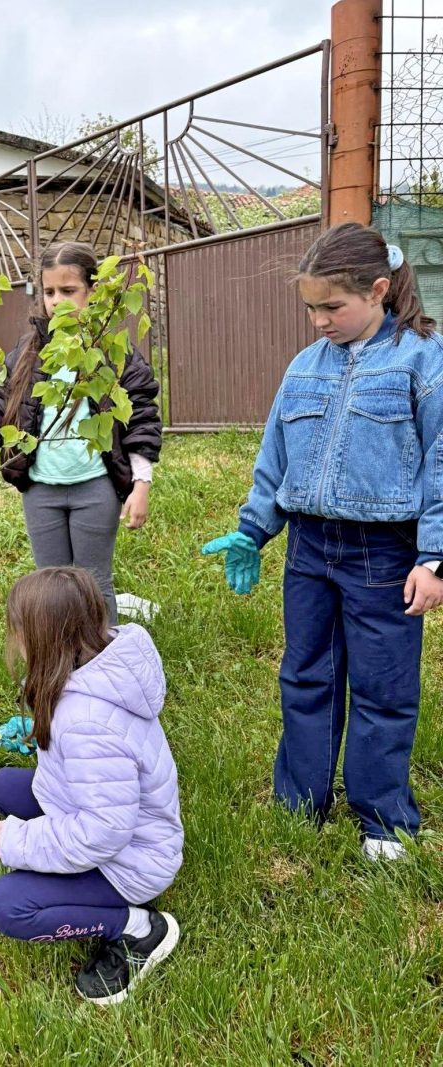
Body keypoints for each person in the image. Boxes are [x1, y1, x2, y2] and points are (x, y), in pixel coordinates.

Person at [202, 222, 443, 861]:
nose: (318, 321)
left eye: (332, 306)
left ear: (380, 291)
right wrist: (255, 528)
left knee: (382, 689)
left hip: (384, 554)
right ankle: (301, 800)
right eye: (311, 307)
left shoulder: (423, 361)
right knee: (304, 674)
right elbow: (276, 458)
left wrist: (433, 556)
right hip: (309, 550)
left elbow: (441, 462)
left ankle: (383, 820)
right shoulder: (304, 368)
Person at [0, 567, 183, 1005]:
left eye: (18, 630)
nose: (14, 641)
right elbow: (96, 756)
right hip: (121, 823)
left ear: (43, 637)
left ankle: (137, 930)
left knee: (8, 904)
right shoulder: (99, 667)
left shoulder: (85, 724)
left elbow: (104, 831)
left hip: (131, 860)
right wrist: (40, 733)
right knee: (2, 788)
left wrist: (17, 841)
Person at [0, 241, 162, 623]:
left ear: (93, 292)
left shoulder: (113, 355)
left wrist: (141, 483)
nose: (56, 301)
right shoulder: (28, 353)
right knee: (50, 587)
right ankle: (59, 669)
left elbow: (141, 418)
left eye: (69, 291)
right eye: (49, 292)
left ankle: (104, 669)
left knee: (94, 585)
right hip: (41, 491)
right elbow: (5, 412)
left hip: (95, 488)